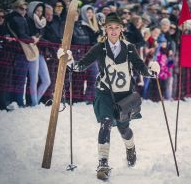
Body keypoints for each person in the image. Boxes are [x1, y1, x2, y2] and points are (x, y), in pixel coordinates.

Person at [57, 12, 160, 180]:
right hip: (105, 93)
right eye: (110, 28)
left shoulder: (128, 47)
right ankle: (103, 163)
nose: (113, 31)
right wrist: (68, 61)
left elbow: (140, 67)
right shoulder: (100, 48)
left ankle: (130, 148)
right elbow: (80, 65)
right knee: (105, 123)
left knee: (123, 129)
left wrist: (152, 72)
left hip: (124, 96)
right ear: (105, 29)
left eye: (116, 28)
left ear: (121, 29)